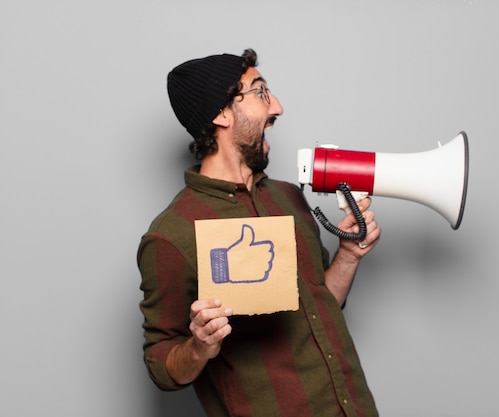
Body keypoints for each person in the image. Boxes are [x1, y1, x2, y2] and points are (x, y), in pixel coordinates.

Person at [137, 48, 381, 417]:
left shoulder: (288, 197)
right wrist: (199, 346)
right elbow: (161, 364)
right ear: (220, 113)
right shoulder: (172, 234)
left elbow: (320, 303)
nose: (277, 107)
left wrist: (348, 255)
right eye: (261, 92)